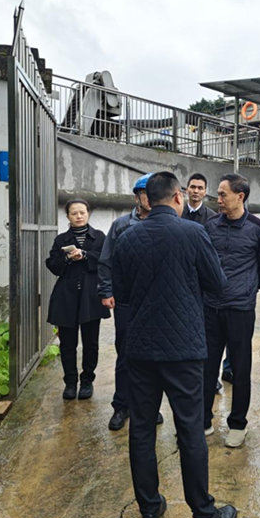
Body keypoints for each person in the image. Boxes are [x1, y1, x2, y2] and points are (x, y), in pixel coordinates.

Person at [112, 172, 237, 518]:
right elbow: (217, 283)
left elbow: (122, 293)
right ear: (178, 196)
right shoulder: (193, 233)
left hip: (140, 348)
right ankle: (203, 515)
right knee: (190, 430)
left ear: (147, 199)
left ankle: (149, 510)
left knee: (141, 430)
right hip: (183, 348)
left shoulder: (127, 235)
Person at [203, 173, 260, 448]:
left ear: (240, 196)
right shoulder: (210, 225)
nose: (218, 199)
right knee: (206, 365)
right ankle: (203, 419)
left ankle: (237, 424)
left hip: (240, 308)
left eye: (223, 194)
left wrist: (248, 288)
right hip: (210, 306)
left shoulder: (258, 228)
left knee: (240, 367)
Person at [98, 173, 163, 431]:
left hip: (157, 301)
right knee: (125, 354)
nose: (149, 198)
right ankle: (121, 406)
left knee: (155, 355)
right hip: (126, 300)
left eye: (153, 193)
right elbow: (106, 261)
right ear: (137, 197)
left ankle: (150, 406)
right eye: (145, 193)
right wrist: (106, 291)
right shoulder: (121, 225)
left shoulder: (166, 224)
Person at [46, 200, 111, 400]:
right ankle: (70, 382)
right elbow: (53, 264)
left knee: (91, 342)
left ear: (88, 213)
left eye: (82, 212)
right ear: (68, 216)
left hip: (91, 296)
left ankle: (87, 380)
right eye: (74, 213)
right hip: (66, 296)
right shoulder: (61, 239)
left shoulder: (99, 236)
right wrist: (67, 258)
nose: (79, 216)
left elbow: (106, 259)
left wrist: (84, 255)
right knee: (67, 343)